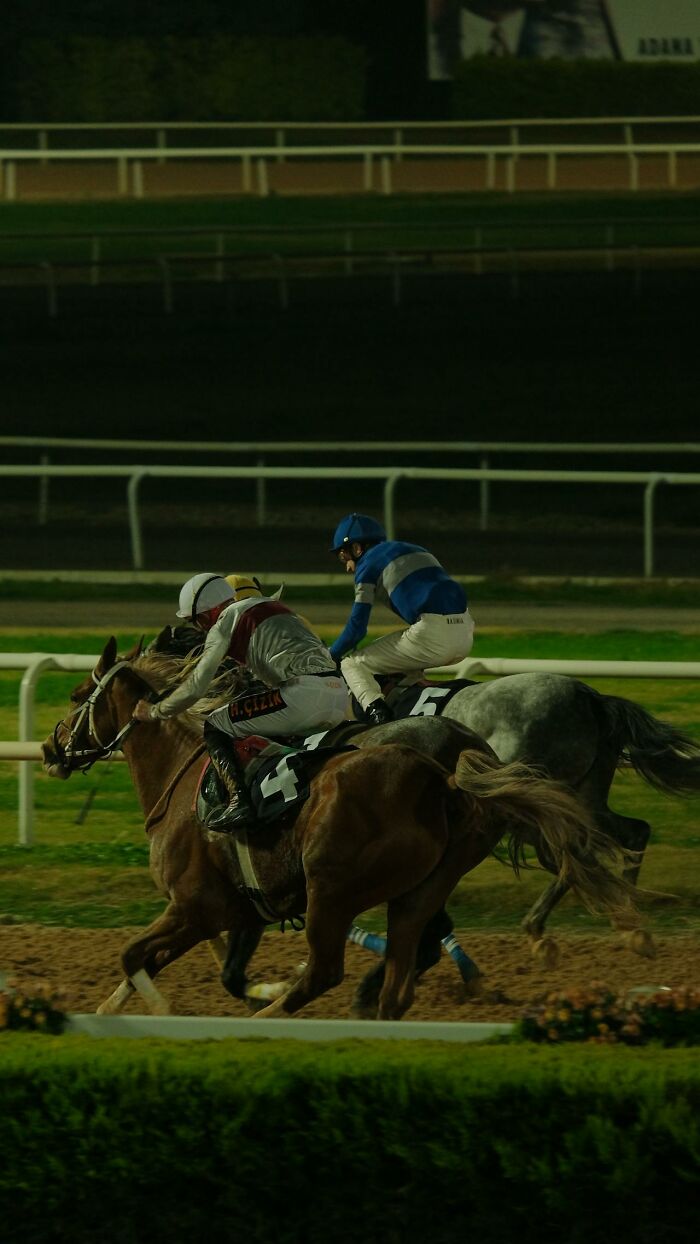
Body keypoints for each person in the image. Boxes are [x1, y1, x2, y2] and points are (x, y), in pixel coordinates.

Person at [133, 572, 347, 828]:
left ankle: (239, 802)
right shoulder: (277, 607)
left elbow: (195, 689)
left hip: (303, 696)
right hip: (339, 695)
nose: (198, 628)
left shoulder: (225, 621)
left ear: (206, 613)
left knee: (216, 724)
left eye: (195, 621)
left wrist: (155, 711)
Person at [329, 514, 475, 726]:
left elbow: (357, 630)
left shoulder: (366, 565)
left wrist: (330, 655)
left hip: (433, 634)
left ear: (357, 549)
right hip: (467, 632)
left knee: (351, 663)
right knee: (401, 661)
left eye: (344, 557)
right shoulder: (416, 548)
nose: (347, 567)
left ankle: (378, 716)